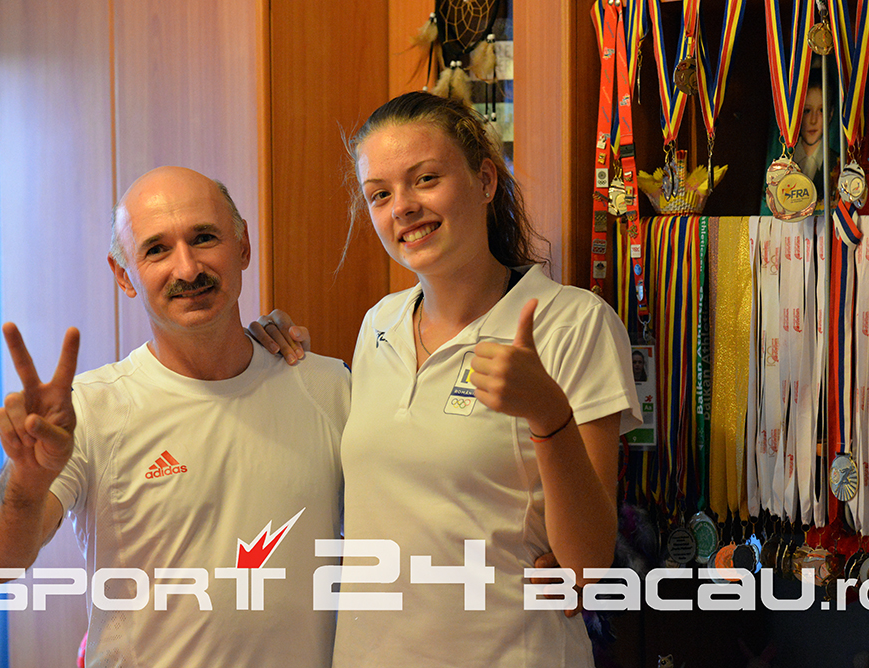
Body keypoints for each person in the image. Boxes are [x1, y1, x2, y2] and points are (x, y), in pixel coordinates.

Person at [255, 91, 641, 666]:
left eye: (425, 179)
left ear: (485, 181)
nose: (403, 207)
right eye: (380, 194)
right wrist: (262, 356)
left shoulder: (573, 322)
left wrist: (548, 414)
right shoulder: (379, 323)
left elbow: (586, 567)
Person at [0, 166, 350, 668]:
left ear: (243, 247)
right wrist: (26, 480)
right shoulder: (91, 411)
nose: (188, 269)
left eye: (204, 238)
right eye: (157, 249)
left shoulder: (328, 388)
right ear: (124, 275)